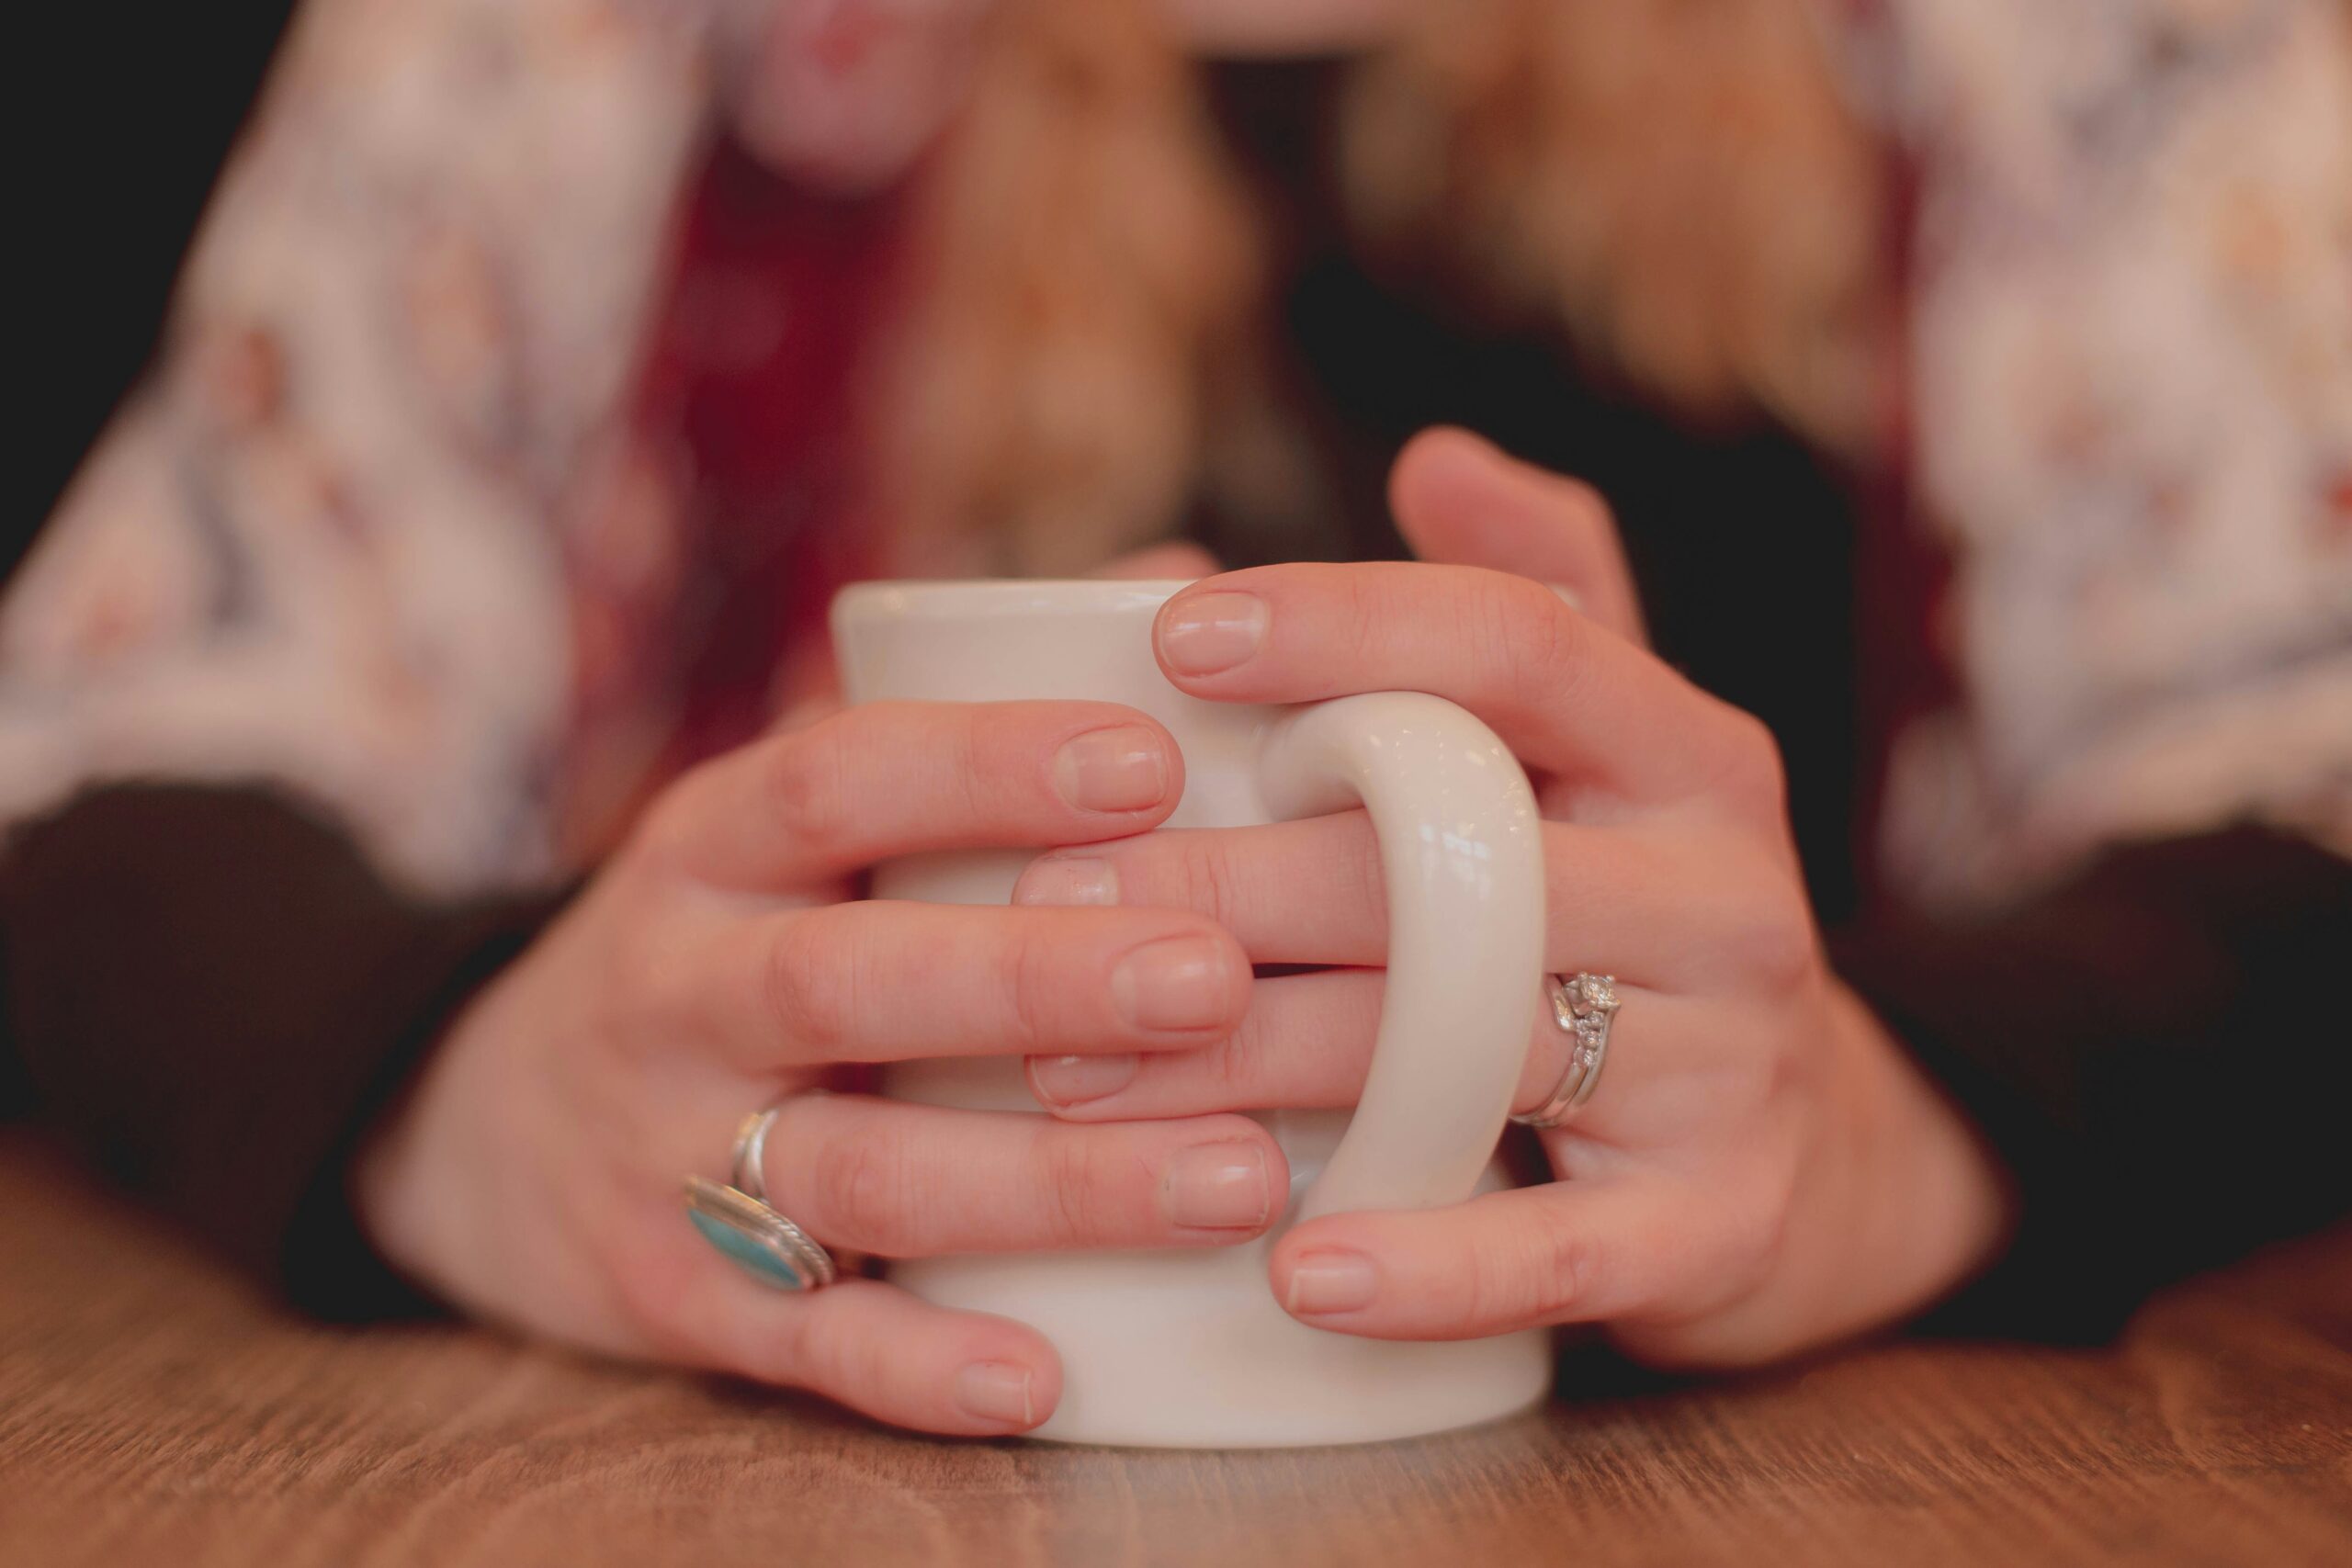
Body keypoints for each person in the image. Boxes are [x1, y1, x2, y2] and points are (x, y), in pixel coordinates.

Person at [3, 0, 2347, 1438]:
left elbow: (2300, 794)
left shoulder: (2063, 37)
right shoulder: (570, 44)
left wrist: (1889, 1124)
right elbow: (102, 763)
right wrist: (456, 1085)